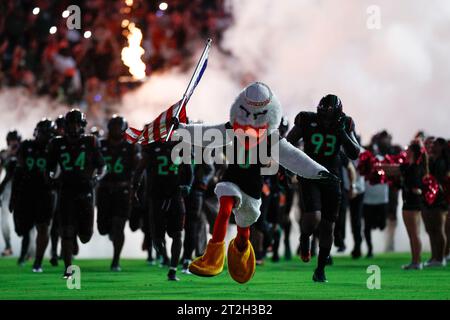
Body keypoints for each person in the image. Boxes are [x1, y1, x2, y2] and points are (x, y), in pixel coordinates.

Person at [180, 82, 336, 284]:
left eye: (257, 116)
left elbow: (294, 158)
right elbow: (205, 133)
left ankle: (241, 250)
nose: (250, 122)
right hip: (232, 179)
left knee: (244, 231)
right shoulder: (231, 129)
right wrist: (181, 128)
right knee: (225, 207)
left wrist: (319, 172)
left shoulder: (270, 138)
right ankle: (213, 257)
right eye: (246, 114)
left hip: (253, 188)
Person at [286, 94, 360, 282]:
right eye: (323, 114)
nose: (325, 120)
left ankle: (320, 270)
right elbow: (287, 143)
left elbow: (354, 152)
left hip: (332, 177)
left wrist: (342, 133)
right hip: (310, 173)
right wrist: (288, 166)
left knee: (328, 226)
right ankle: (305, 237)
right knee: (314, 217)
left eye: (329, 116)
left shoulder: (345, 123)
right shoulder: (307, 119)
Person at [47, 109, 106, 278]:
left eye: (76, 124)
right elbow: (49, 168)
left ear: (82, 125)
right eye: (70, 124)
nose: (73, 127)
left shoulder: (91, 142)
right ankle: (68, 268)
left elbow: (102, 166)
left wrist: (96, 179)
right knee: (66, 231)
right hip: (66, 190)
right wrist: (50, 179)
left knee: (86, 236)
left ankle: (74, 238)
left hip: (85, 190)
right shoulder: (56, 143)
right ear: (65, 125)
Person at [134, 140, 193, 281]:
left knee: (177, 234)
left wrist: (188, 185)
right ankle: (162, 254)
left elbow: (189, 170)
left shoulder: (182, 146)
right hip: (156, 197)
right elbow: (140, 169)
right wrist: (135, 188)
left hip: (175, 195)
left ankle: (172, 270)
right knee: (157, 238)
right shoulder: (151, 148)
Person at [9, 119, 56, 272]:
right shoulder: (27, 146)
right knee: (22, 229)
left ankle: (38, 261)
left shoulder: (57, 148)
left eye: (47, 133)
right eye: (42, 132)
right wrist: (13, 197)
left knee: (43, 227)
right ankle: (29, 255)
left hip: (46, 193)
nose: (44, 136)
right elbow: (18, 171)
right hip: (27, 192)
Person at [97, 115, 140, 271]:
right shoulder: (100, 145)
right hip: (104, 189)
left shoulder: (131, 147)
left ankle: (116, 261)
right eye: (114, 126)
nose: (116, 130)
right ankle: (111, 233)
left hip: (122, 190)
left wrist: (134, 188)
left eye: (118, 127)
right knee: (102, 228)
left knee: (119, 225)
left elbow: (137, 169)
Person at [381, 141, 428, 269]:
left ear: (412, 152)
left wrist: (414, 189)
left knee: (414, 233)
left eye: (408, 150)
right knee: (412, 234)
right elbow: (392, 169)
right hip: (411, 202)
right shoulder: (411, 166)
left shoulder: (414, 167)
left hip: (412, 203)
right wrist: (378, 166)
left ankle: (417, 262)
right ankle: (415, 261)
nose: (405, 152)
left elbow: (418, 187)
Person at [182, 157, 215, 273]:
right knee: (186, 226)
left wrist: (204, 181)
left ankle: (188, 258)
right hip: (180, 191)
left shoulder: (203, 152)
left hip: (197, 192)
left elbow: (212, 169)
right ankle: (187, 256)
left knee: (193, 226)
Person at [421, 137, 449, 267]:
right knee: (430, 229)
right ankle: (434, 257)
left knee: (439, 229)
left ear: (442, 147)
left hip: (440, 199)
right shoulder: (431, 160)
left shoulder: (444, 161)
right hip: (429, 198)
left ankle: (441, 257)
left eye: (436, 144)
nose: (433, 146)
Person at [0, 130, 21, 257]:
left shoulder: (24, 151)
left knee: (25, 219)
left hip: (21, 188)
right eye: (11, 140)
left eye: (15, 139)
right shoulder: (4, 154)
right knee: (4, 219)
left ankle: (30, 248)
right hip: (8, 188)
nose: (13, 142)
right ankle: (8, 245)